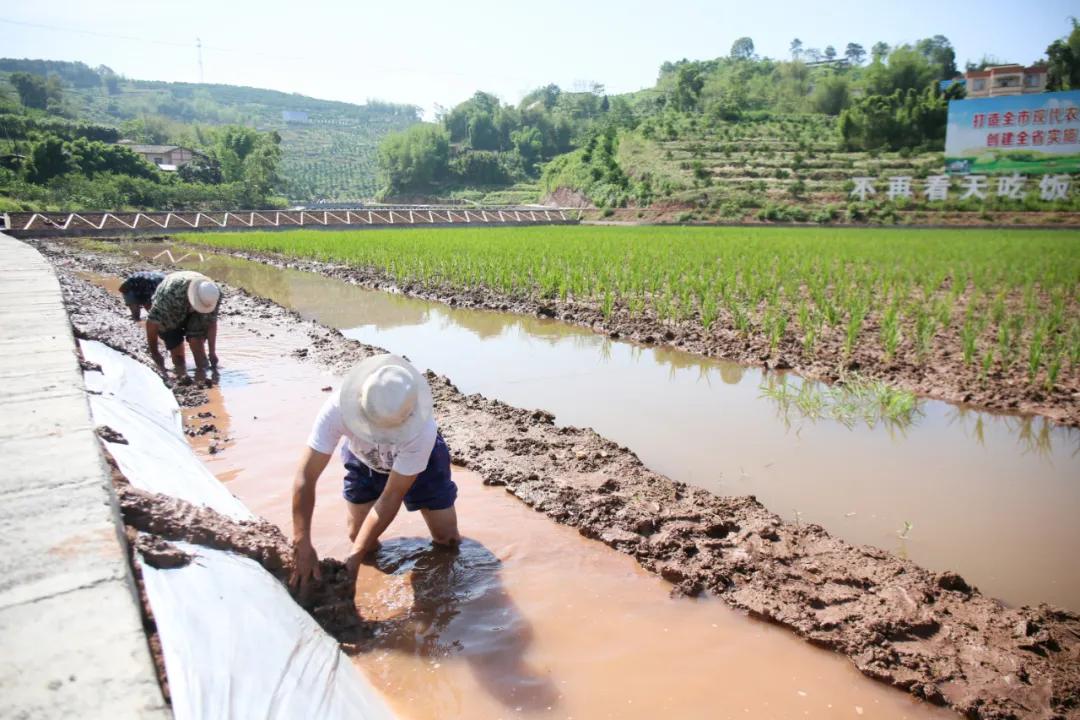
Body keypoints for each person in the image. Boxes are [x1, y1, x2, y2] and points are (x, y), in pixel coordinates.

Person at [289, 353, 460, 594]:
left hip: (423, 465)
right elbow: (306, 476)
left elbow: (391, 497)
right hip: (364, 461)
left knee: (447, 539)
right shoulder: (336, 409)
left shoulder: (422, 431)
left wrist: (353, 561)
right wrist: (301, 540)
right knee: (358, 538)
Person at [144, 270, 221, 371]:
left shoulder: (213, 294)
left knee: (197, 341)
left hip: (193, 300)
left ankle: (202, 371)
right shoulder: (170, 296)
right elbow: (151, 323)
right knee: (177, 355)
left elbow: (211, 323)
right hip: (173, 305)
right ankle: (180, 371)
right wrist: (155, 353)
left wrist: (212, 352)